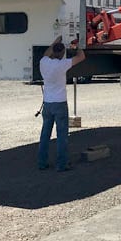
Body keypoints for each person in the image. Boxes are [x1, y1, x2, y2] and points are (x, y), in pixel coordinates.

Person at [37, 36, 85, 172]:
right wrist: (78, 44)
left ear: (53, 52)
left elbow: (46, 52)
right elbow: (81, 57)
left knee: (45, 134)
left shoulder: (44, 62)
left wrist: (55, 41)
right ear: (62, 53)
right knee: (62, 135)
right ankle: (61, 164)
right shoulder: (62, 65)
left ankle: (42, 162)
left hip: (47, 103)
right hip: (60, 103)